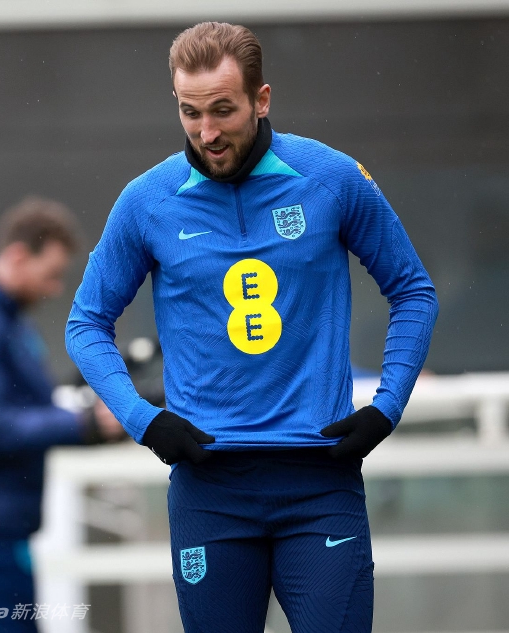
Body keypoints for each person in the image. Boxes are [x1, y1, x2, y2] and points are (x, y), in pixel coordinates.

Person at [65, 22, 438, 633]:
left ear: (261, 100)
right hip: (209, 491)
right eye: (190, 113)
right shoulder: (147, 200)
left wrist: (386, 407)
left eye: (222, 110)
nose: (206, 133)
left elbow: (413, 291)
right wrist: (143, 420)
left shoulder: (332, 178)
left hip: (320, 482)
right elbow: (86, 323)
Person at [0, 197, 124, 630]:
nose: (54, 288)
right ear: (18, 256)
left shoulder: (4, 317)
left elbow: (20, 404)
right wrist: (86, 423)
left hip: (0, 512)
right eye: (50, 274)